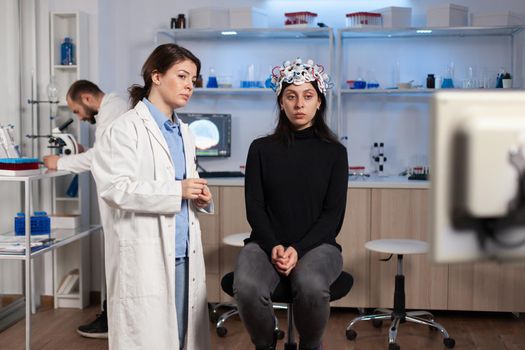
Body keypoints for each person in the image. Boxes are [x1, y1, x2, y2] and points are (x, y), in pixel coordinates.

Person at [91, 43, 213, 350]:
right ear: (156, 76)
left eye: (193, 80)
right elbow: (115, 188)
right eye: (182, 76)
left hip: (184, 252)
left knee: (183, 335)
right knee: (150, 339)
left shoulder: (183, 132)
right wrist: (178, 190)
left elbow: (182, 181)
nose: (189, 86)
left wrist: (198, 193)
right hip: (147, 254)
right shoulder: (124, 129)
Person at [233, 58, 348, 350]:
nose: (299, 104)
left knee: (311, 285)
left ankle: (311, 345)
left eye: (308, 96)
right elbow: (255, 208)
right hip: (264, 244)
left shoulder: (334, 153)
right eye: (291, 96)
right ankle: (265, 343)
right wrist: (274, 246)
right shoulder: (260, 149)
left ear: (319, 102)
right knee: (246, 287)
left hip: (319, 246)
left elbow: (332, 216)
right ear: (281, 102)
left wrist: (298, 249)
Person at [43, 80, 128, 339]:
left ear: (88, 98)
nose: (78, 118)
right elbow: (105, 152)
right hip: (117, 198)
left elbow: (99, 159)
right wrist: (87, 151)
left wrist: (60, 161)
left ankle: (112, 323)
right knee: (116, 261)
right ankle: (112, 319)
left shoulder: (113, 110)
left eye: (77, 111)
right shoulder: (113, 109)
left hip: (120, 200)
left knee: (117, 262)